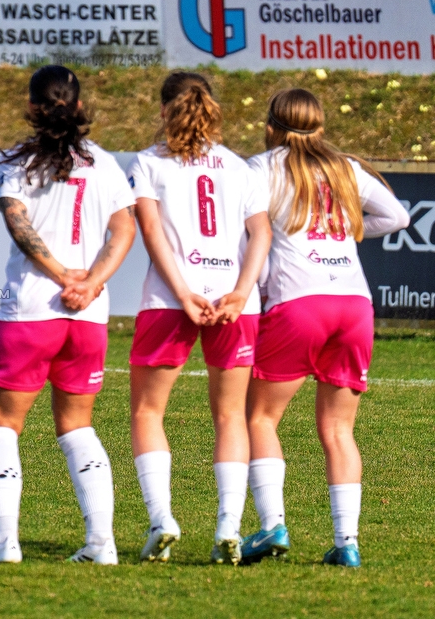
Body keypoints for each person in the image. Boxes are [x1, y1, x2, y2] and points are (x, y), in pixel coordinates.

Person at [241, 89, 409, 568]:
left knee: (261, 418)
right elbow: (397, 217)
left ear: (272, 124)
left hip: (298, 301)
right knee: (338, 429)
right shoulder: (345, 167)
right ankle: (347, 542)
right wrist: (346, 230)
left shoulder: (261, 168)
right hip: (354, 304)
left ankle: (273, 525)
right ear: (320, 125)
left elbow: (248, 231)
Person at [0, 65, 136, 565]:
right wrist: (90, 282)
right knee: (78, 426)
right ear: (82, 107)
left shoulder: (19, 162)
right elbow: (123, 232)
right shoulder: (105, 164)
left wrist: (61, 274)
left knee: (2, 423)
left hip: (31, 310)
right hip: (88, 315)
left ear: (30, 108)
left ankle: (6, 544)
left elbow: (16, 220)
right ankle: (101, 544)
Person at [126, 72, 272, 565]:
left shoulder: (148, 163)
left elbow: (151, 231)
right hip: (236, 305)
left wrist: (185, 293)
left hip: (170, 302)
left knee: (149, 412)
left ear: (165, 110)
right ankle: (228, 528)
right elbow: (261, 237)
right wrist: (239, 292)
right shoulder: (240, 167)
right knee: (230, 415)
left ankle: (162, 519)